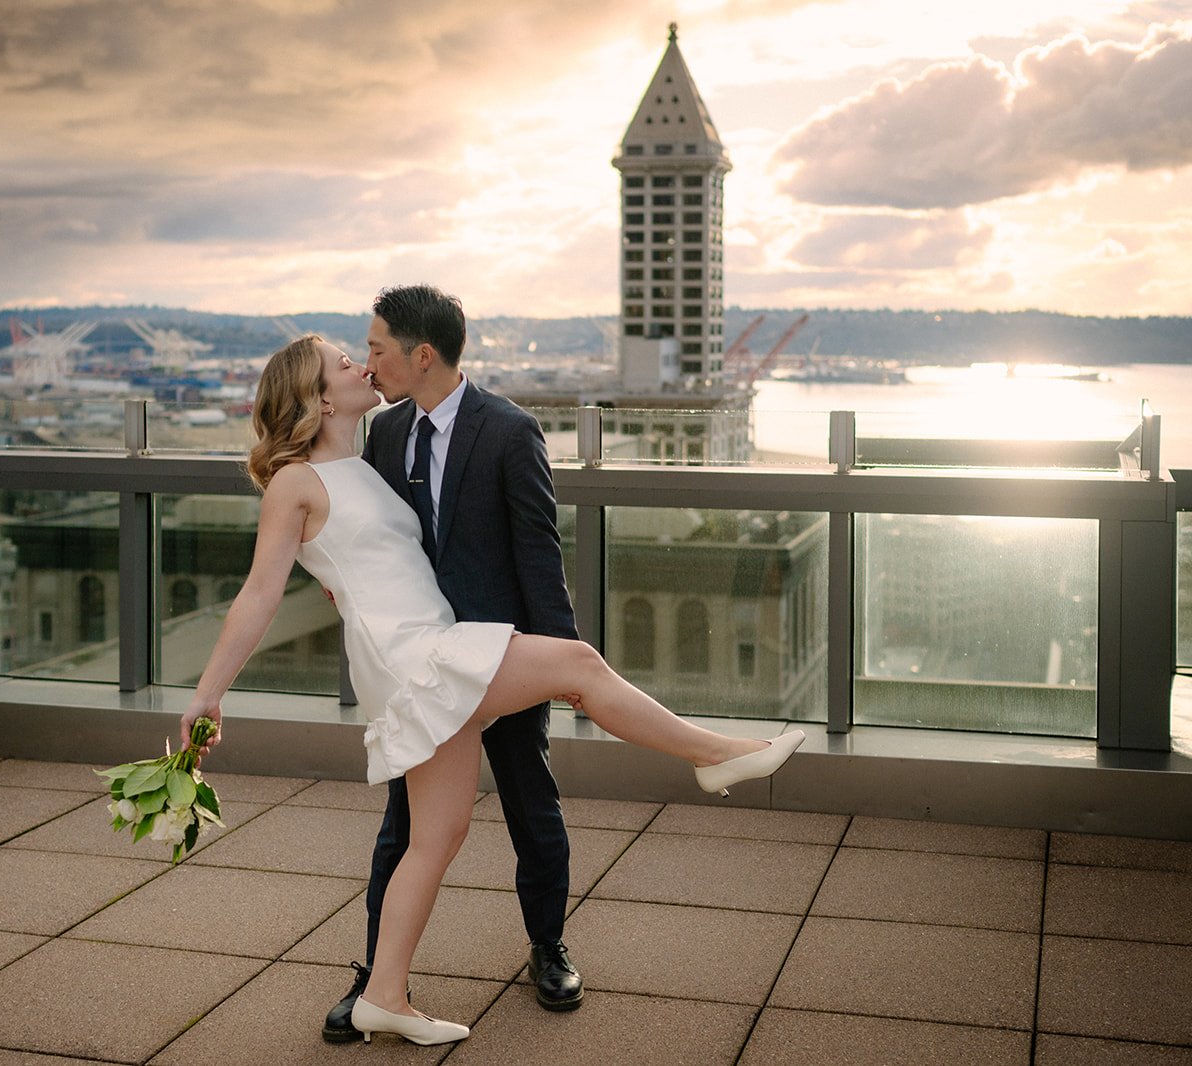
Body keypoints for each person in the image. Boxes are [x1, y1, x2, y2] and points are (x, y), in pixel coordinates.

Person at [178, 331, 805, 1048]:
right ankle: (713, 753)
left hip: (424, 649)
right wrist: (208, 694)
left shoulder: (363, 460)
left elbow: (373, 556)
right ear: (318, 399)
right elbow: (259, 595)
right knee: (578, 664)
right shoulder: (296, 481)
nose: (361, 365)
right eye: (344, 364)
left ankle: (382, 996)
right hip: (413, 657)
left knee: (436, 837)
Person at [336, 283, 585, 1040]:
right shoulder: (384, 433)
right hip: (423, 665)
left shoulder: (509, 429)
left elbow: (538, 553)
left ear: (422, 354)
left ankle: (548, 946)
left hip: (500, 656)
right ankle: (378, 975)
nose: (368, 364)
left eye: (377, 348)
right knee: (402, 825)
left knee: (529, 803)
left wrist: (560, 657)